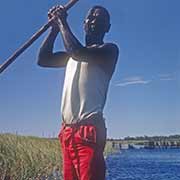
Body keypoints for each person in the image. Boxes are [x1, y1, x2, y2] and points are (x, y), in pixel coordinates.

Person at [38, 4, 119, 180]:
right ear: (83, 24)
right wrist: (53, 29)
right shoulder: (70, 57)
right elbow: (43, 59)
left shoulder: (108, 51)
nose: (93, 21)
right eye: (90, 17)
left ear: (107, 27)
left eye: (99, 19)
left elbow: (77, 51)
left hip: (88, 131)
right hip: (67, 133)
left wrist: (61, 21)